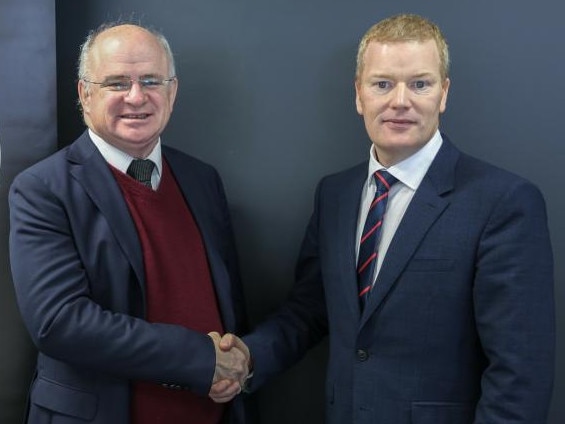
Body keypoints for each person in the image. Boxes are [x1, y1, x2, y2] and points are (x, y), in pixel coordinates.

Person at [211, 13, 555, 423]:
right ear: (359, 95)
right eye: (383, 84)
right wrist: (247, 357)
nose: (400, 101)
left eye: (420, 84)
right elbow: (311, 308)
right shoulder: (335, 195)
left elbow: (520, 374)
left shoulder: (503, 202)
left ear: (443, 94)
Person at [9, 22, 253, 424]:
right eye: (117, 83)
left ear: (172, 92)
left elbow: (229, 306)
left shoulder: (202, 180)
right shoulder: (42, 189)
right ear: (84, 94)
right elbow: (59, 322)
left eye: (151, 80)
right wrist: (198, 358)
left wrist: (232, 359)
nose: (136, 97)